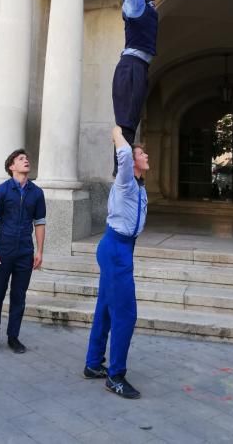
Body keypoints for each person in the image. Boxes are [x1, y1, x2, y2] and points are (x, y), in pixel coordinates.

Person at [84, 125, 149, 399]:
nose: (146, 156)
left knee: (107, 308)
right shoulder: (125, 179)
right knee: (126, 314)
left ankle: (92, 363)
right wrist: (117, 132)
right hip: (115, 248)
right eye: (142, 153)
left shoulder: (139, 186)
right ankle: (116, 376)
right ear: (133, 161)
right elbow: (122, 154)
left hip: (122, 248)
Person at [0, 149, 46, 356]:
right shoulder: (1, 191)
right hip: (4, 250)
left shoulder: (37, 192)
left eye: (27, 158)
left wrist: (39, 251)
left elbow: (40, 223)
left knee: (19, 296)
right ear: (12, 166)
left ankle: (13, 337)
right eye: (21, 159)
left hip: (25, 251)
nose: (26, 161)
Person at [112, 0, 159, 174]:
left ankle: (125, 168)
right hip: (131, 67)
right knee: (126, 121)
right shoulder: (135, 5)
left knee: (132, 119)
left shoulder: (148, 8)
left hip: (140, 67)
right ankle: (121, 170)